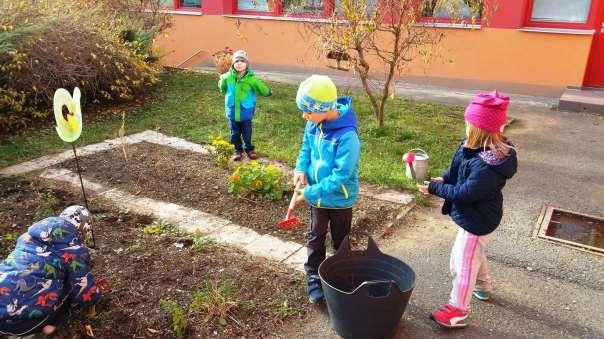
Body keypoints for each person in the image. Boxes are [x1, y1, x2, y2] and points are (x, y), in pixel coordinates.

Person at [419, 90, 517, 328]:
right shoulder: (468, 147)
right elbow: (455, 174)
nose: (465, 128)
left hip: (479, 220)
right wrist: (443, 179)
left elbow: (465, 193)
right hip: (474, 218)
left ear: (477, 129)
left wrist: (434, 189)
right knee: (473, 255)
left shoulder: (489, 164)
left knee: (462, 264)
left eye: (468, 124)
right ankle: (483, 287)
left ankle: (458, 309)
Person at [292, 75, 361, 303]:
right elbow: (305, 149)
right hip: (318, 199)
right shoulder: (313, 123)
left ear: (323, 108)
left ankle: (341, 276)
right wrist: (301, 169)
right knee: (315, 237)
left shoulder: (347, 136)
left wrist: (310, 193)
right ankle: (313, 275)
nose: (304, 116)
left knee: (341, 240)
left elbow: (341, 175)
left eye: (307, 111)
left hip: (340, 199)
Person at [0, 205, 102, 337]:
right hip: (20, 325)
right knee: (68, 290)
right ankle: (47, 326)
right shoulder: (74, 249)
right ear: (83, 229)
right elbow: (83, 288)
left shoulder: (27, 236)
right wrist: (95, 297)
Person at [218, 49, 272, 161]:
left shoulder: (251, 79)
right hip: (232, 110)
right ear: (233, 64)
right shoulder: (227, 77)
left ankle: (249, 149)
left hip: (246, 111)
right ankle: (238, 150)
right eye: (236, 61)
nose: (239, 63)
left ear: (246, 64)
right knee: (234, 133)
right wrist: (223, 86)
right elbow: (222, 88)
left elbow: (260, 87)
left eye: (242, 61)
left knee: (247, 133)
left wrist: (267, 92)